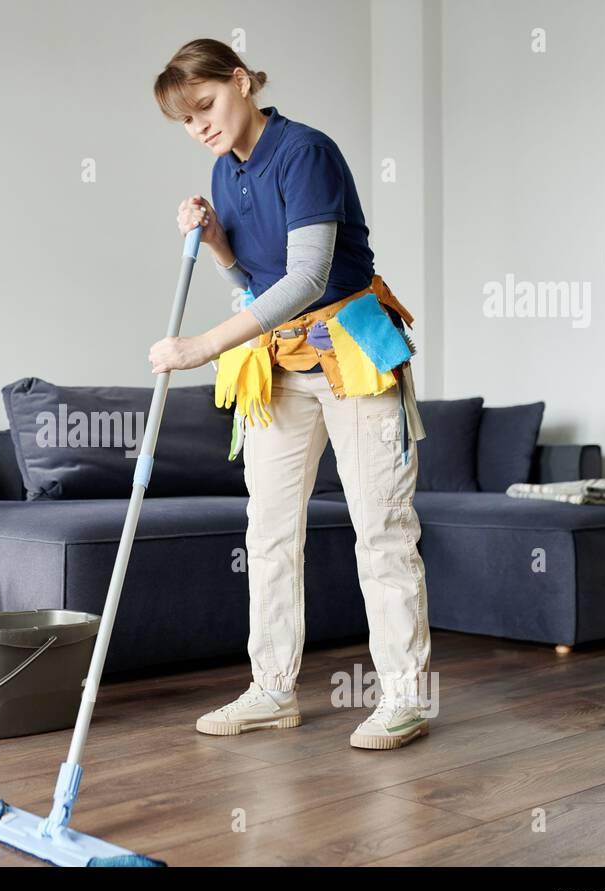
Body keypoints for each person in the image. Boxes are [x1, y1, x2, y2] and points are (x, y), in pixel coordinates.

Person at [149, 38, 432, 750]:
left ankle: (405, 698)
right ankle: (273, 689)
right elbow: (254, 282)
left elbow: (307, 277)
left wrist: (201, 347)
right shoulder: (225, 170)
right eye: (187, 119)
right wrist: (216, 240)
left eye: (206, 105)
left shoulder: (307, 152)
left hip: (354, 353)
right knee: (269, 533)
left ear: (241, 82)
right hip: (280, 365)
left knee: (383, 530)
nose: (201, 126)